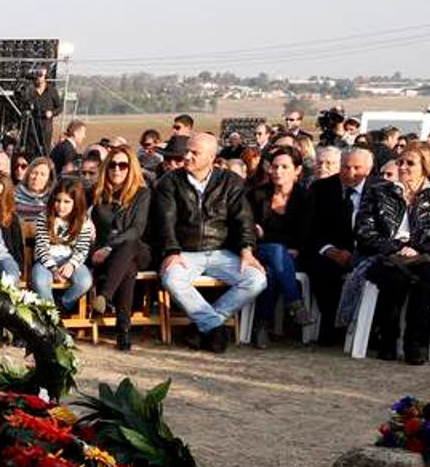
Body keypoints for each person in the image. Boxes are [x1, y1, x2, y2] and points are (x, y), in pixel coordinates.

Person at [155, 132, 266, 352]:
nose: (187, 156)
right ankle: (215, 327)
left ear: (212, 157)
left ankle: (202, 326)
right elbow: (164, 220)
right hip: (184, 252)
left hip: (221, 252)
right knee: (172, 279)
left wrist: (246, 250)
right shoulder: (170, 181)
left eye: (194, 153)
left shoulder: (230, 181)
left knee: (256, 280)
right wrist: (171, 251)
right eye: (187, 151)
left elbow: (243, 218)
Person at [350, 142, 430, 365]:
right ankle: (388, 336)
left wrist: (417, 249)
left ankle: (413, 341)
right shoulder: (378, 193)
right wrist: (395, 247)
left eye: (410, 163)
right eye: (400, 162)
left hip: (422, 257)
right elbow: (364, 231)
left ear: (425, 167)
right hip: (385, 255)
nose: (403, 167)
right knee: (394, 277)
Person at [245, 145, 314, 348]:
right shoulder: (257, 195)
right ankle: (295, 303)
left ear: (298, 170)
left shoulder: (306, 197)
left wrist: (284, 243)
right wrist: (279, 241)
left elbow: (306, 231)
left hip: (294, 255)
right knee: (275, 250)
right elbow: (249, 228)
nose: (278, 172)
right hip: (259, 251)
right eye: (274, 167)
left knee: (271, 272)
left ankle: (261, 326)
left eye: (284, 167)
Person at [86, 144, 152, 350]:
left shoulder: (142, 194)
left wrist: (109, 248)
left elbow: (137, 229)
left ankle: (104, 296)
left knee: (129, 244)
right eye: (113, 165)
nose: (117, 169)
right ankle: (123, 330)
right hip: (103, 256)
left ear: (131, 168)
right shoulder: (95, 193)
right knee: (128, 270)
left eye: (123, 165)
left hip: (137, 250)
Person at [305, 148, 373, 344]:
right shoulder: (321, 189)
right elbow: (309, 229)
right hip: (330, 250)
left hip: (368, 250)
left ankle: (372, 328)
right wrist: (330, 251)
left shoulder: (380, 190)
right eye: (345, 167)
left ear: (368, 169)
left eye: (356, 168)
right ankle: (333, 324)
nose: (350, 173)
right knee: (320, 268)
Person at [30, 178, 94, 314]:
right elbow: (41, 247)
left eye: (67, 202)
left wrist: (71, 265)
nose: (61, 206)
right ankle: (49, 315)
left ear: (76, 203)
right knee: (39, 281)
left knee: (85, 281)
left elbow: (82, 249)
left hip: (70, 259)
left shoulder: (83, 221)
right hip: (46, 260)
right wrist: (53, 268)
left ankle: (60, 306)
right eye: (58, 201)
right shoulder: (44, 217)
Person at [18, 67, 63, 157]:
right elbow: (22, 101)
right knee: (31, 150)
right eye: (37, 74)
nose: (38, 77)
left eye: (41, 75)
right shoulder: (31, 89)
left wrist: (52, 113)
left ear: (45, 76)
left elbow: (60, 107)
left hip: (45, 124)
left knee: (45, 150)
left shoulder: (51, 90)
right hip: (32, 123)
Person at [14, 156, 53, 224]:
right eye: (34, 173)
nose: (37, 177)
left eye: (42, 174)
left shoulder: (53, 198)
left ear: (49, 179)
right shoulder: (14, 194)